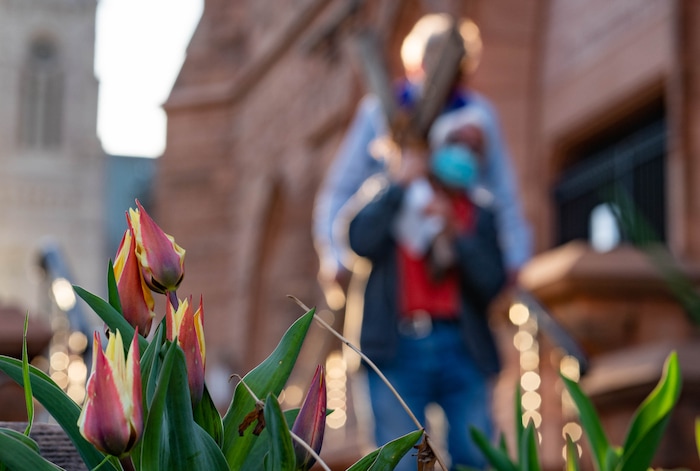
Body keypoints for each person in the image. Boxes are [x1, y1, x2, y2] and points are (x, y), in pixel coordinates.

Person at [312, 13, 532, 305]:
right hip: (393, 270)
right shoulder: (383, 110)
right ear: (417, 62)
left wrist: (516, 257)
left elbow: (503, 192)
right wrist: (334, 255)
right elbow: (342, 187)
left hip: (458, 271)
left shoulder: (476, 116)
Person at [344, 113, 505, 469]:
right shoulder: (394, 192)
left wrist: (455, 234)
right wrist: (399, 186)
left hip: (462, 349)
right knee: (398, 461)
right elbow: (358, 240)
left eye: (475, 147)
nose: (465, 153)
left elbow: (492, 282)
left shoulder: (481, 215)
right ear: (436, 147)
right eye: (457, 142)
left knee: (474, 457)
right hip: (395, 347)